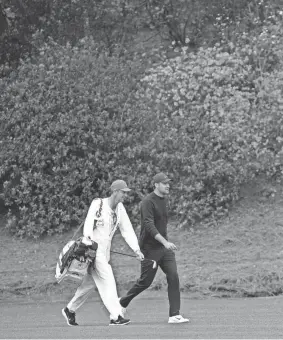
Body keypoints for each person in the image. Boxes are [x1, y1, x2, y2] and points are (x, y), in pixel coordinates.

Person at [62, 179, 144, 326]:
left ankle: (70, 309)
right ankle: (116, 316)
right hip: (92, 251)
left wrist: (136, 249)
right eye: (123, 192)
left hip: (104, 254)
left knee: (90, 284)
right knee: (108, 280)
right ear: (115, 192)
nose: (125, 196)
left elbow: (127, 230)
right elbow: (88, 224)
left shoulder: (120, 209)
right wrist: (88, 246)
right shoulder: (98, 204)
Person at [119, 172, 189, 324]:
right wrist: (164, 242)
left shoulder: (164, 200)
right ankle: (121, 303)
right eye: (165, 183)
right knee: (145, 282)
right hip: (149, 248)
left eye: (168, 183)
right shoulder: (147, 202)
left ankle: (174, 315)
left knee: (173, 276)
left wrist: (165, 244)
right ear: (156, 185)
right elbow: (149, 226)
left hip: (164, 248)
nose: (168, 185)